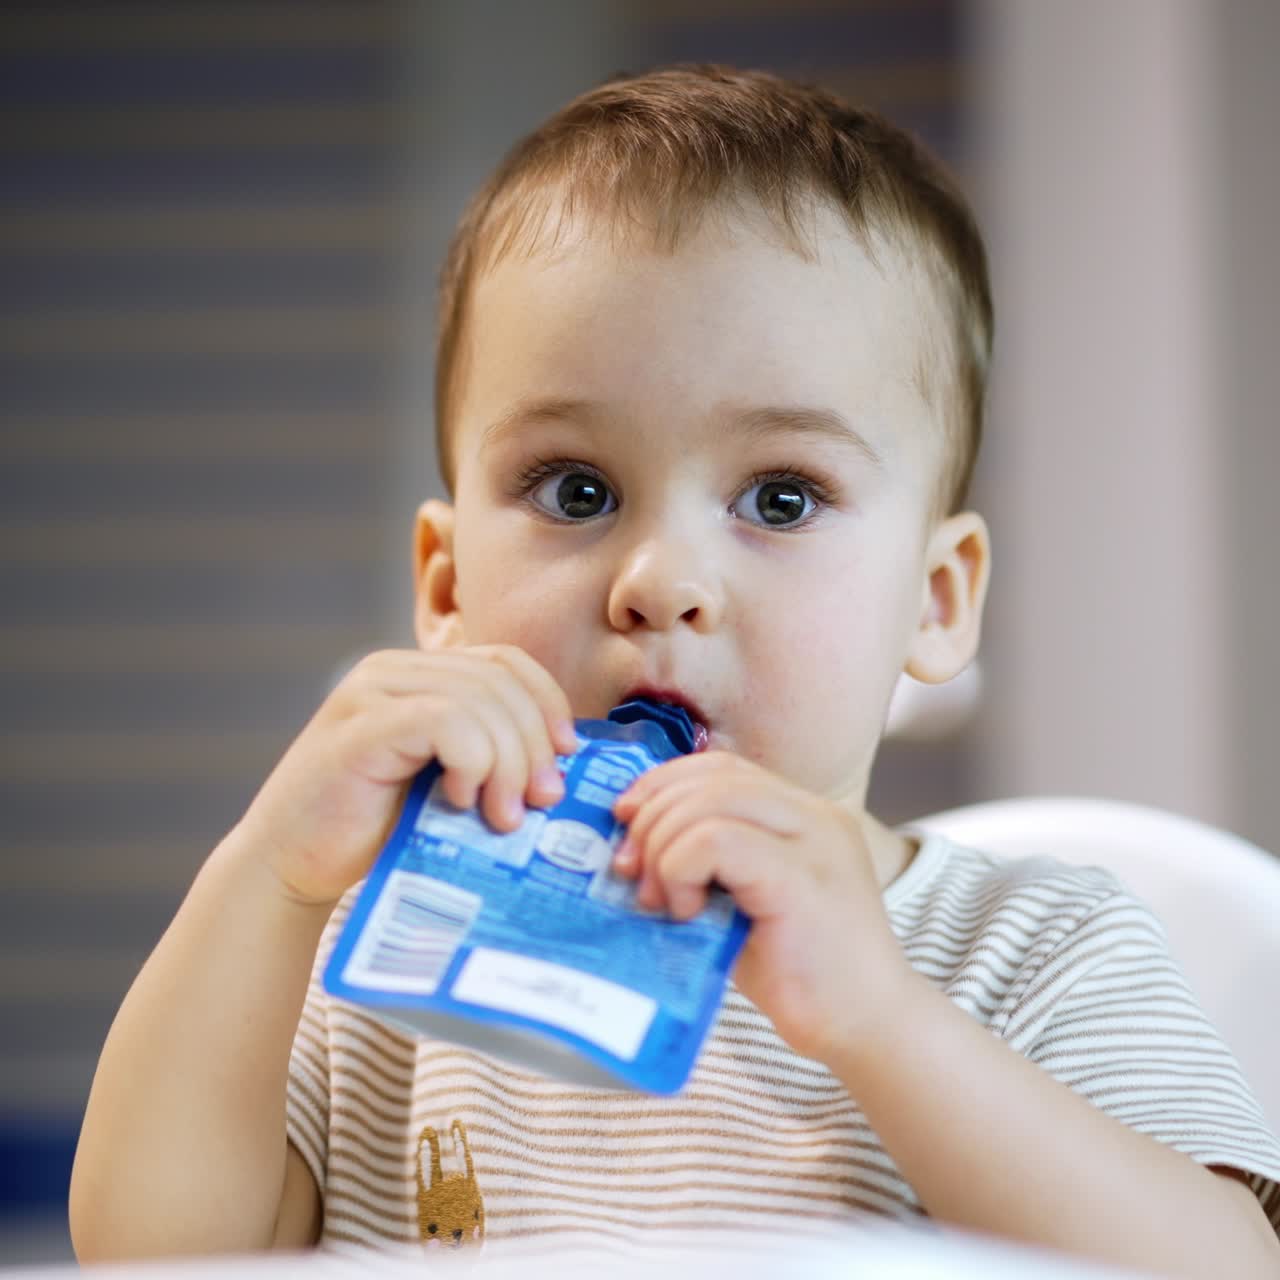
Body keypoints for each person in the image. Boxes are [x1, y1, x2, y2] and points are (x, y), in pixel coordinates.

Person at [69, 64, 1280, 1273]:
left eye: (781, 496)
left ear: (934, 597)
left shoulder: (1033, 949)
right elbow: (152, 1251)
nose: (658, 578)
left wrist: (878, 1019)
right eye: (575, 490)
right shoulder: (383, 948)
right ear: (444, 586)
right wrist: (269, 875)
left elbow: (1220, 1265)